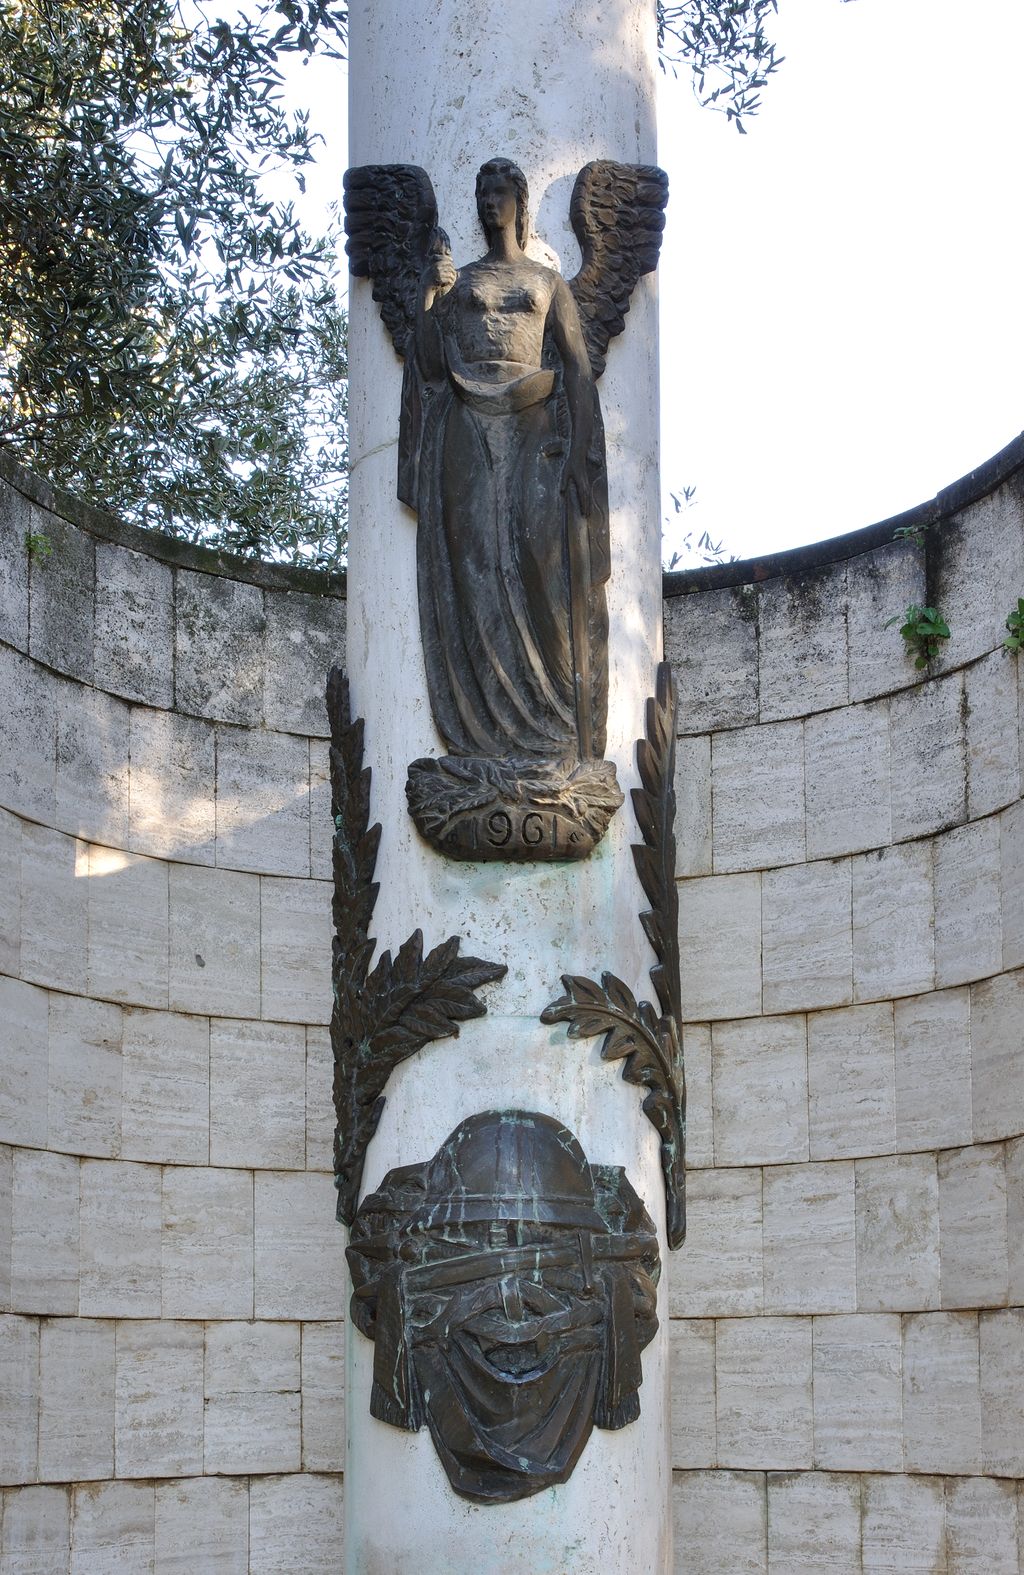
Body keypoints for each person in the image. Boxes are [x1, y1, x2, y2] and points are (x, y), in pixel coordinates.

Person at [407, 158, 610, 766]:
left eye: (500, 192)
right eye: (482, 192)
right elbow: (425, 367)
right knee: (473, 561)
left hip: (535, 423)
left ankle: (553, 726)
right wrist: (429, 295)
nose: (490, 202)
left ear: (521, 203)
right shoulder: (459, 282)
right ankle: (482, 734)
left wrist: (579, 452)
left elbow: (576, 367)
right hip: (467, 422)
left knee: (539, 565)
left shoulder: (548, 285)